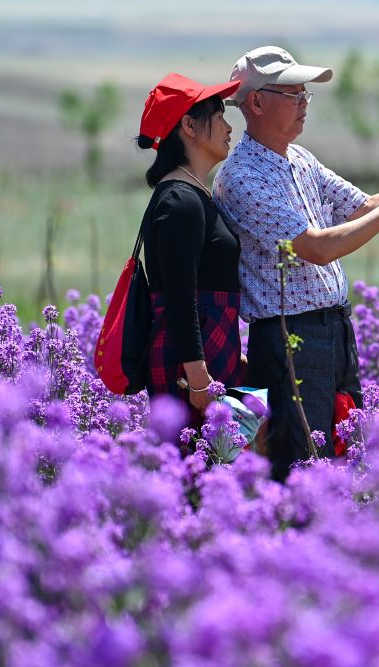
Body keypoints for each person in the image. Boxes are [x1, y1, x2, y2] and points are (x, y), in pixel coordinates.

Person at [213, 46, 379, 480]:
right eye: (294, 94)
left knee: (342, 450)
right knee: (304, 463)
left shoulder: (299, 159)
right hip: (291, 338)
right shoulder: (242, 176)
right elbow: (316, 248)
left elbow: (359, 208)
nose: (305, 104)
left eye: (306, 94)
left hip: (332, 330)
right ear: (258, 102)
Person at [136, 73, 245, 431]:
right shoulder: (180, 202)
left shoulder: (192, 195)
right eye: (218, 117)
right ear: (189, 126)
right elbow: (181, 299)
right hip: (188, 372)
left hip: (201, 361)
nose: (229, 128)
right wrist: (199, 380)